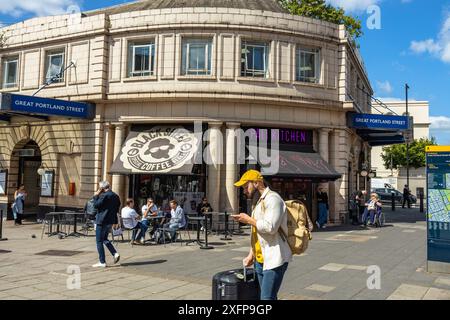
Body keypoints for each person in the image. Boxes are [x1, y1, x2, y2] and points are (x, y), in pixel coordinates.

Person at [232, 170, 291, 300]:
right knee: (267, 296)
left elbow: (270, 227)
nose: (244, 191)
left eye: (246, 186)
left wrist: (248, 220)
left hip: (275, 258)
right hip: (260, 259)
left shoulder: (273, 199)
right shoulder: (259, 201)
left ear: (257, 183)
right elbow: (256, 234)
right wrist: (251, 255)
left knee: (266, 298)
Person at [92, 181, 121, 268]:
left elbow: (96, 205)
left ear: (101, 188)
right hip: (110, 221)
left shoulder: (104, 195)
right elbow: (117, 207)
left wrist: (96, 195)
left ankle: (102, 261)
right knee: (104, 239)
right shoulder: (116, 196)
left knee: (99, 241)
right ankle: (115, 253)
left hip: (102, 220)